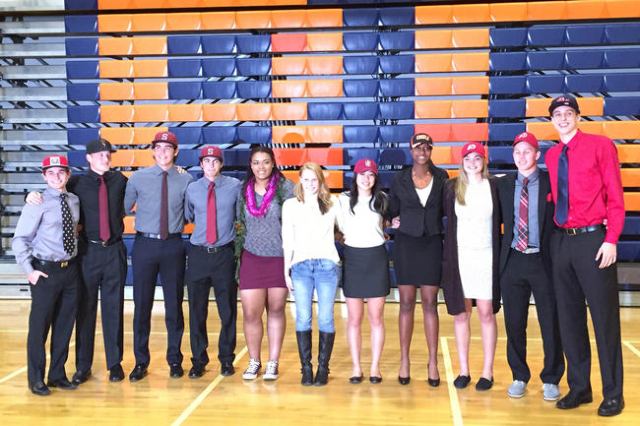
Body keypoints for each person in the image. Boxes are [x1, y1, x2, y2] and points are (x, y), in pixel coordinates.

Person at [544, 95, 625, 416]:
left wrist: (612, 239)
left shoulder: (601, 146)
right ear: (551, 120)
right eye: (557, 114)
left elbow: (615, 196)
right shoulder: (551, 155)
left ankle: (613, 393)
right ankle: (580, 387)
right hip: (562, 242)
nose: (563, 118)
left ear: (578, 117)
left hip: (594, 241)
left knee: (604, 319)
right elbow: (555, 195)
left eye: (568, 113)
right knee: (569, 318)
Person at [25, 139, 129, 384]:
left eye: (108, 154)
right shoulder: (75, 183)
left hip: (114, 251)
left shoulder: (121, 181)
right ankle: (83, 366)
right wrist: (31, 195)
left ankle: (115, 364)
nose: (105, 159)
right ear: (89, 158)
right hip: (87, 253)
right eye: (99, 155)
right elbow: (53, 191)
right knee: (85, 310)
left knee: (114, 309)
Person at [497, 132, 564, 400]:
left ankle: (551, 377)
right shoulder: (503, 184)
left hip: (543, 260)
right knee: (514, 323)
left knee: (551, 321)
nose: (522, 156)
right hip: (513, 259)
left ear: (537, 154)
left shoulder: (552, 182)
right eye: (517, 152)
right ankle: (519, 375)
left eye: (527, 151)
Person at [124, 131, 194, 381]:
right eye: (159, 147)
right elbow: (121, 206)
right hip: (145, 244)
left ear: (175, 151)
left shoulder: (186, 179)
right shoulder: (138, 178)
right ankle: (140, 361)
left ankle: (175, 359)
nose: (163, 152)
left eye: (168, 148)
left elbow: (191, 212)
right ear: (152, 151)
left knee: (175, 305)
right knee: (142, 306)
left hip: (174, 245)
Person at [12, 155, 81, 396]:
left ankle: (57, 375)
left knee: (64, 326)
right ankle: (36, 379)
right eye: (50, 173)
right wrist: (30, 271)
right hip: (45, 272)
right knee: (40, 328)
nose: (56, 177)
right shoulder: (37, 202)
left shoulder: (73, 200)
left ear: (68, 174)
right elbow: (19, 239)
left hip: (70, 270)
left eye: (60, 172)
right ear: (43, 176)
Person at [387, 133, 449, 386]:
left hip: (432, 243)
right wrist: (393, 220)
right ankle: (404, 360)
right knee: (406, 303)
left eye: (426, 146)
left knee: (430, 303)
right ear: (411, 150)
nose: (422, 150)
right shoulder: (400, 179)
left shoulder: (443, 177)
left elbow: (449, 208)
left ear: (431, 149)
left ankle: (433, 362)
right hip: (406, 245)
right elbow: (391, 210)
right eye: (417, 146)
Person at [442, 142, 500, 391]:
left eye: (478, 157)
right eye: (468, 157)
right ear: (462, 161)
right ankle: (464, 370)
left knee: (486, 312)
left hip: (486, 257)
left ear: (483, 161)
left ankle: (487, 371)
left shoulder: (495, 186)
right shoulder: (452, 187)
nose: (473, 162)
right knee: (461, 314)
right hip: (461, 258)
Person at [235, 145, 294, 381]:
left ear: (273, 163)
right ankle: (254, 360)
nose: (261, 167)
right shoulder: (243, 190)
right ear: (251, 165)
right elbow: (238, 222)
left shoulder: (286, 188)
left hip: (279, 257)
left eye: (266, 162)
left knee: (276, 310)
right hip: (251, 257)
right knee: (250, 312)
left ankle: (273, 362)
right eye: (256, 162)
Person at [184, 145, 241, 379]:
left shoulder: (234, 186)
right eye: (206, 161)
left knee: (227, 309)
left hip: (224, 253)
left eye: (215, 161)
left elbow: (240, 215)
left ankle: (227, 359)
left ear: (221, 164)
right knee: (197, 310)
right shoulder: (192, 189)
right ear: (201, 164)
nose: (210, 166)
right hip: (198, 252)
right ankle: (198, 359)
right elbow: (189, 216)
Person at [282, 162, 340, 386]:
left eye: (314, 179)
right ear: (300, 180)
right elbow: (288, 240)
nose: (310, 183)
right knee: (303, 317)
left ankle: (323, 368)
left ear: (321, 180)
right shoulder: (290, 205)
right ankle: (306, 367)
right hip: (300, 267)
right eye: (306, 179)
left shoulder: (332, 203)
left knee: (325, 317)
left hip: (326, 265)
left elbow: (345, 226)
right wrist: (286, 271)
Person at [336, 159, 389, 384]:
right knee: (354, 319)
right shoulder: (342, 200)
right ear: (354, 177)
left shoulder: (383, 199)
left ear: (376, 178)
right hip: (353, 259)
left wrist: (387, 230)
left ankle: (375, 367)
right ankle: (357, 367)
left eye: (371, 175)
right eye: (362, 174)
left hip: (376, 258)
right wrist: (342, 239)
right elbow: (335, 228)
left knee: (376, 317)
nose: (366, 179)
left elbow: (385, 225)